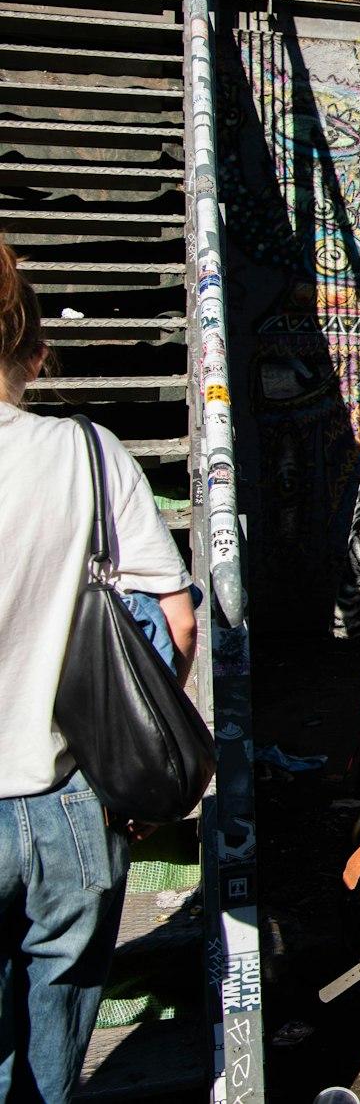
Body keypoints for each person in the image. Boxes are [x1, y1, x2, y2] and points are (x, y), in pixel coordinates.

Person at [0, 238, 197, 1100]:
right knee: (55, 1052)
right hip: (68, 806)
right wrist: (122, 771)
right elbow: (177, 618)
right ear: (36, 353)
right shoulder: (88, 453)